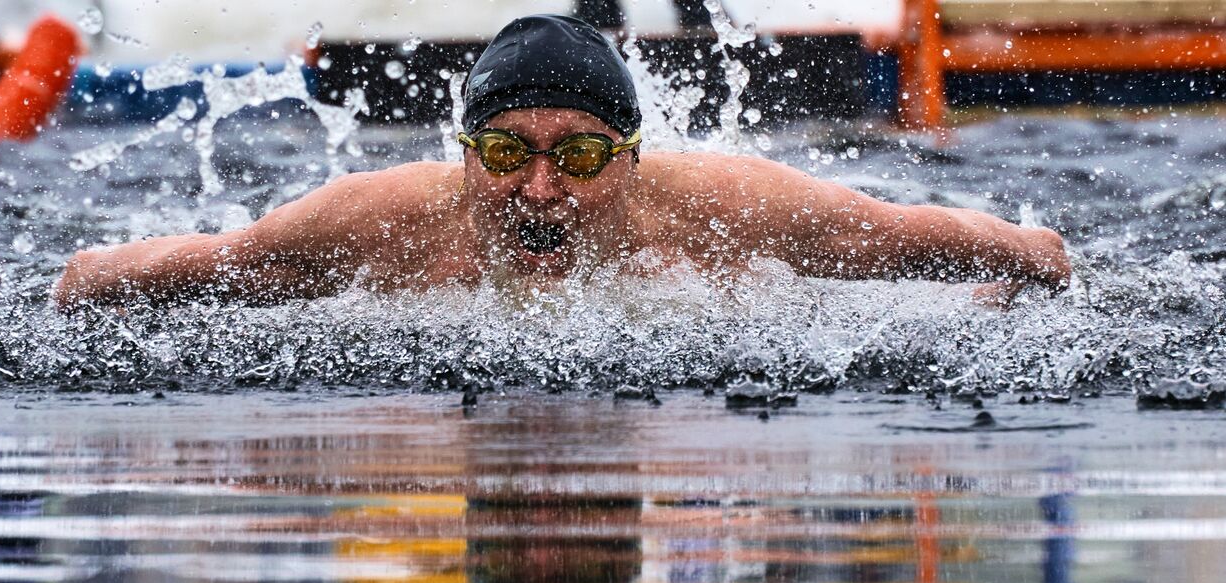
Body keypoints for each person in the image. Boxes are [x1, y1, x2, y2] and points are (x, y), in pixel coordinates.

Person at [54, 15, 1070, 309]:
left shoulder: (725, 209)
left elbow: (920, 241)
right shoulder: (374, 221)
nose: (538, 190)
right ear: (461, 154)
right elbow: (100, 281)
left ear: (629, 157)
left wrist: (1028, 259)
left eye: (578, 156)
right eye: (504, 152)